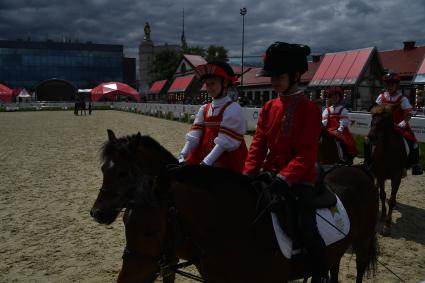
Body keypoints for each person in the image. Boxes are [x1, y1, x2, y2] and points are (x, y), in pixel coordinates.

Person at [243, 42, 328, 282]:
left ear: (296, 75)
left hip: (300, 177)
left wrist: (286, 177)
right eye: (271, 76)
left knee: (307, 228)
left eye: (278, 76)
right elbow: (258, 145)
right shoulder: (268, 107)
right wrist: (248, 174)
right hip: (270, 172)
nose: (273, 81)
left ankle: (321, 273)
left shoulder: (310, 110)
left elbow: (307, 154)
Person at [178, 61, 248, 172]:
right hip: (204, 158)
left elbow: (224, 142)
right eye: (207, 84)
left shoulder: (233, 109)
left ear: (225, 83)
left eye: (213, 83)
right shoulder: (204, 108)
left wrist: (207, 162)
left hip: (227, 161)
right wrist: (182, 155)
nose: (209, 87)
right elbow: (194, 136)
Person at [364, 72, 423, 175]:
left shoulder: (402, 99)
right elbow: (375, 110)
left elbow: (408, 113)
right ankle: (368, 162)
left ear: (396, 85)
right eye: (388, 84)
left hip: (399, 127)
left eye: (392, 84)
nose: (390, 86)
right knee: (367, 140)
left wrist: (403, 123)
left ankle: (414, 165)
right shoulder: (381, 97)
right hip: (382, 126)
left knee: (413, 142)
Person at [322, 86, 358, 164]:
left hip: (340, 130)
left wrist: (339, 130)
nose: (334, 98)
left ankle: (345, 157)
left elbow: (343, 121)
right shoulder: (327, 110)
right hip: (329, 130)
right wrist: (323, 129)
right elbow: (324, 121)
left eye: (336, 97)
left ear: (339, 98)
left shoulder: (343, 109)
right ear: (330, 98)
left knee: (344, 142)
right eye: (332, 97)